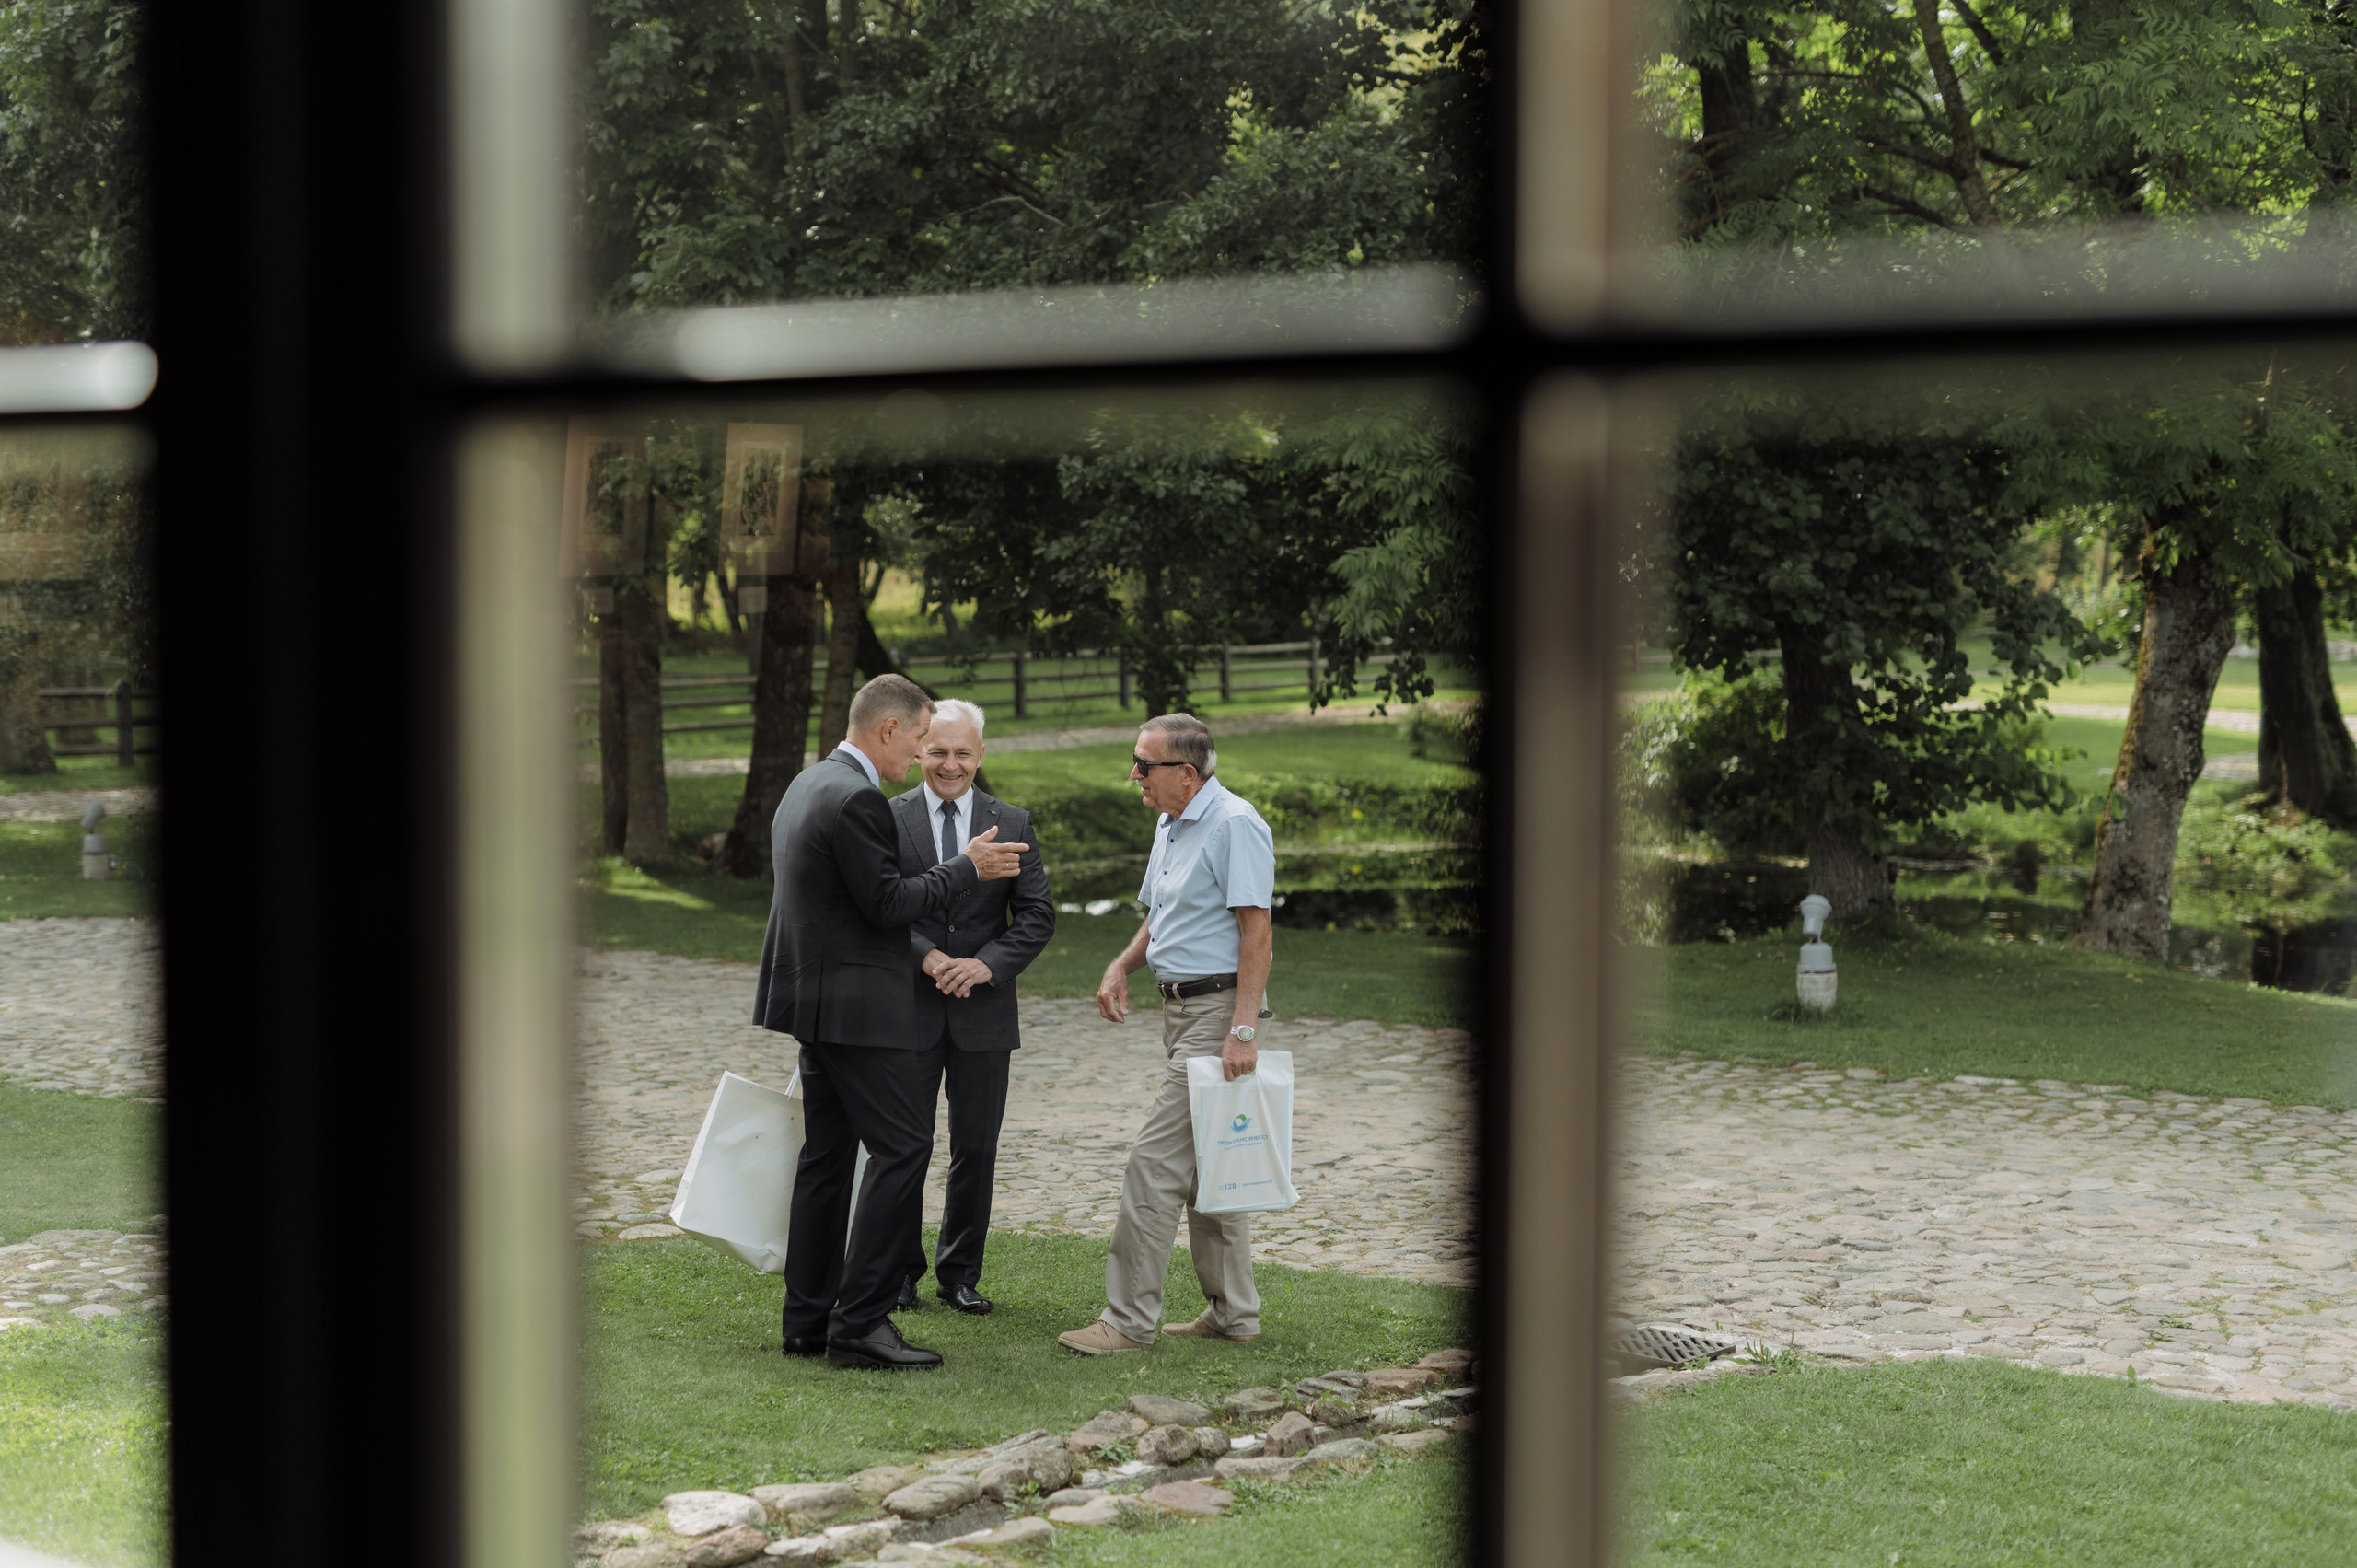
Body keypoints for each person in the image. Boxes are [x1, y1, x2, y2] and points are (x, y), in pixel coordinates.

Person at [755, 674, 1029, 1370]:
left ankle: (807, 1319)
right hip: (856, 1008)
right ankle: (862, 1323)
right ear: (887, 730)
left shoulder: (807, 783)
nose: (919, 753)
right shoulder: (858, 800)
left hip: (814, 1003)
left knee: (825, 1157)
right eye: (916, 738)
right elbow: (887, 903)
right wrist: (967, 868)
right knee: (904, 1147)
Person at [1058, 712, 1275, 1355]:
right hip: (1178, 1011)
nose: (1134, 776)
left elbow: (1256, 932)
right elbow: (1162, 913)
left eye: (1144, 765)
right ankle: (1234, 1313)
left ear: (1187, 772)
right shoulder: (1170, 821)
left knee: (1152, 1166)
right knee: (1213, 1167)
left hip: (1217, 1015)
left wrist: (1242, 1028)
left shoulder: (1236, 824)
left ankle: (1126, 1321)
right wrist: (1123, 963)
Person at [886, 699, 1056, 1316]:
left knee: (975, 1147)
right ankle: (898, 1271)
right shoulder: (887, 817)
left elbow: (1037, 914)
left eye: (963, 752)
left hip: (984, 1009)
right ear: (920, 752)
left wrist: (988, 964)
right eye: (938, 751)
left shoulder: (1011, 820)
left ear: (980, 756)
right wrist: (928, 956)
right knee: (903, 1145)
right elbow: (874, 908)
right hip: (907, 1006)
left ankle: (959, 1274)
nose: (950, 764)